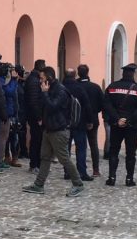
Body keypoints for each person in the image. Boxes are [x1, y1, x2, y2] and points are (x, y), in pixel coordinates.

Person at [22, 66, 86, 196]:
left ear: (49, 78)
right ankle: (39, 185)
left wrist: (45, 93)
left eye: (42, 78)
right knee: (45, 157)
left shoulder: (61, 90)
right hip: (48, 129)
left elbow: (53, 107)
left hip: (59, 131)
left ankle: (78, 184)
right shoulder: (49, 89)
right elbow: (43, 106)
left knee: (64, 159)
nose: (40, 81)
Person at [103, 63, 137, 186]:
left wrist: (117, 119)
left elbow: (106, 105)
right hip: (132, 126)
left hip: (116, 125)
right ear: (133, 74)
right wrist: (130, 119)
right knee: (130, 153)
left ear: (123, 74)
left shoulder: (112, 87)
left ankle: (111, 177)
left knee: (114, 151)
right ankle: (129, 179)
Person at [63, 68, 95, 181]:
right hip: (79, 122)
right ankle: (81, 172)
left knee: (65, 149)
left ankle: (67, 172)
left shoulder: (60, 87)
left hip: (64, 123)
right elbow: (87, 105)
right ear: (75, 75)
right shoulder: (79, 88)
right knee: (81, 148)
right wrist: (90, 121)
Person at [77, 64, 104, 177]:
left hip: (78, 119)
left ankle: (80, 169)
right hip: (93, 119)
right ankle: (96, 169)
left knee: (80, 145)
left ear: (78, 73)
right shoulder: (95, 87)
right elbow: (101, 104)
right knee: (93, 145)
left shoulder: (76, 86)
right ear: (87, 73)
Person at [24, 59, 47, 173]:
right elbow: (33, 102)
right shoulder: (33, 81)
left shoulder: (34, 79)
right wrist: (38, 117)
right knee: (36, 141)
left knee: (39, 141)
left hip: (36, 115)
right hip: (35, 117)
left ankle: (37, 164)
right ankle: (34, 165)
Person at [2, 65, 23, 167]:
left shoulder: (14, 83)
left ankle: (14, 157)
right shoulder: (5, 83)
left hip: (15, 112)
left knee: (15, 137)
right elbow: (10, 92)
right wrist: (14, 80)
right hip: (8, 113)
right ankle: (7, 157)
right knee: (8, 137)